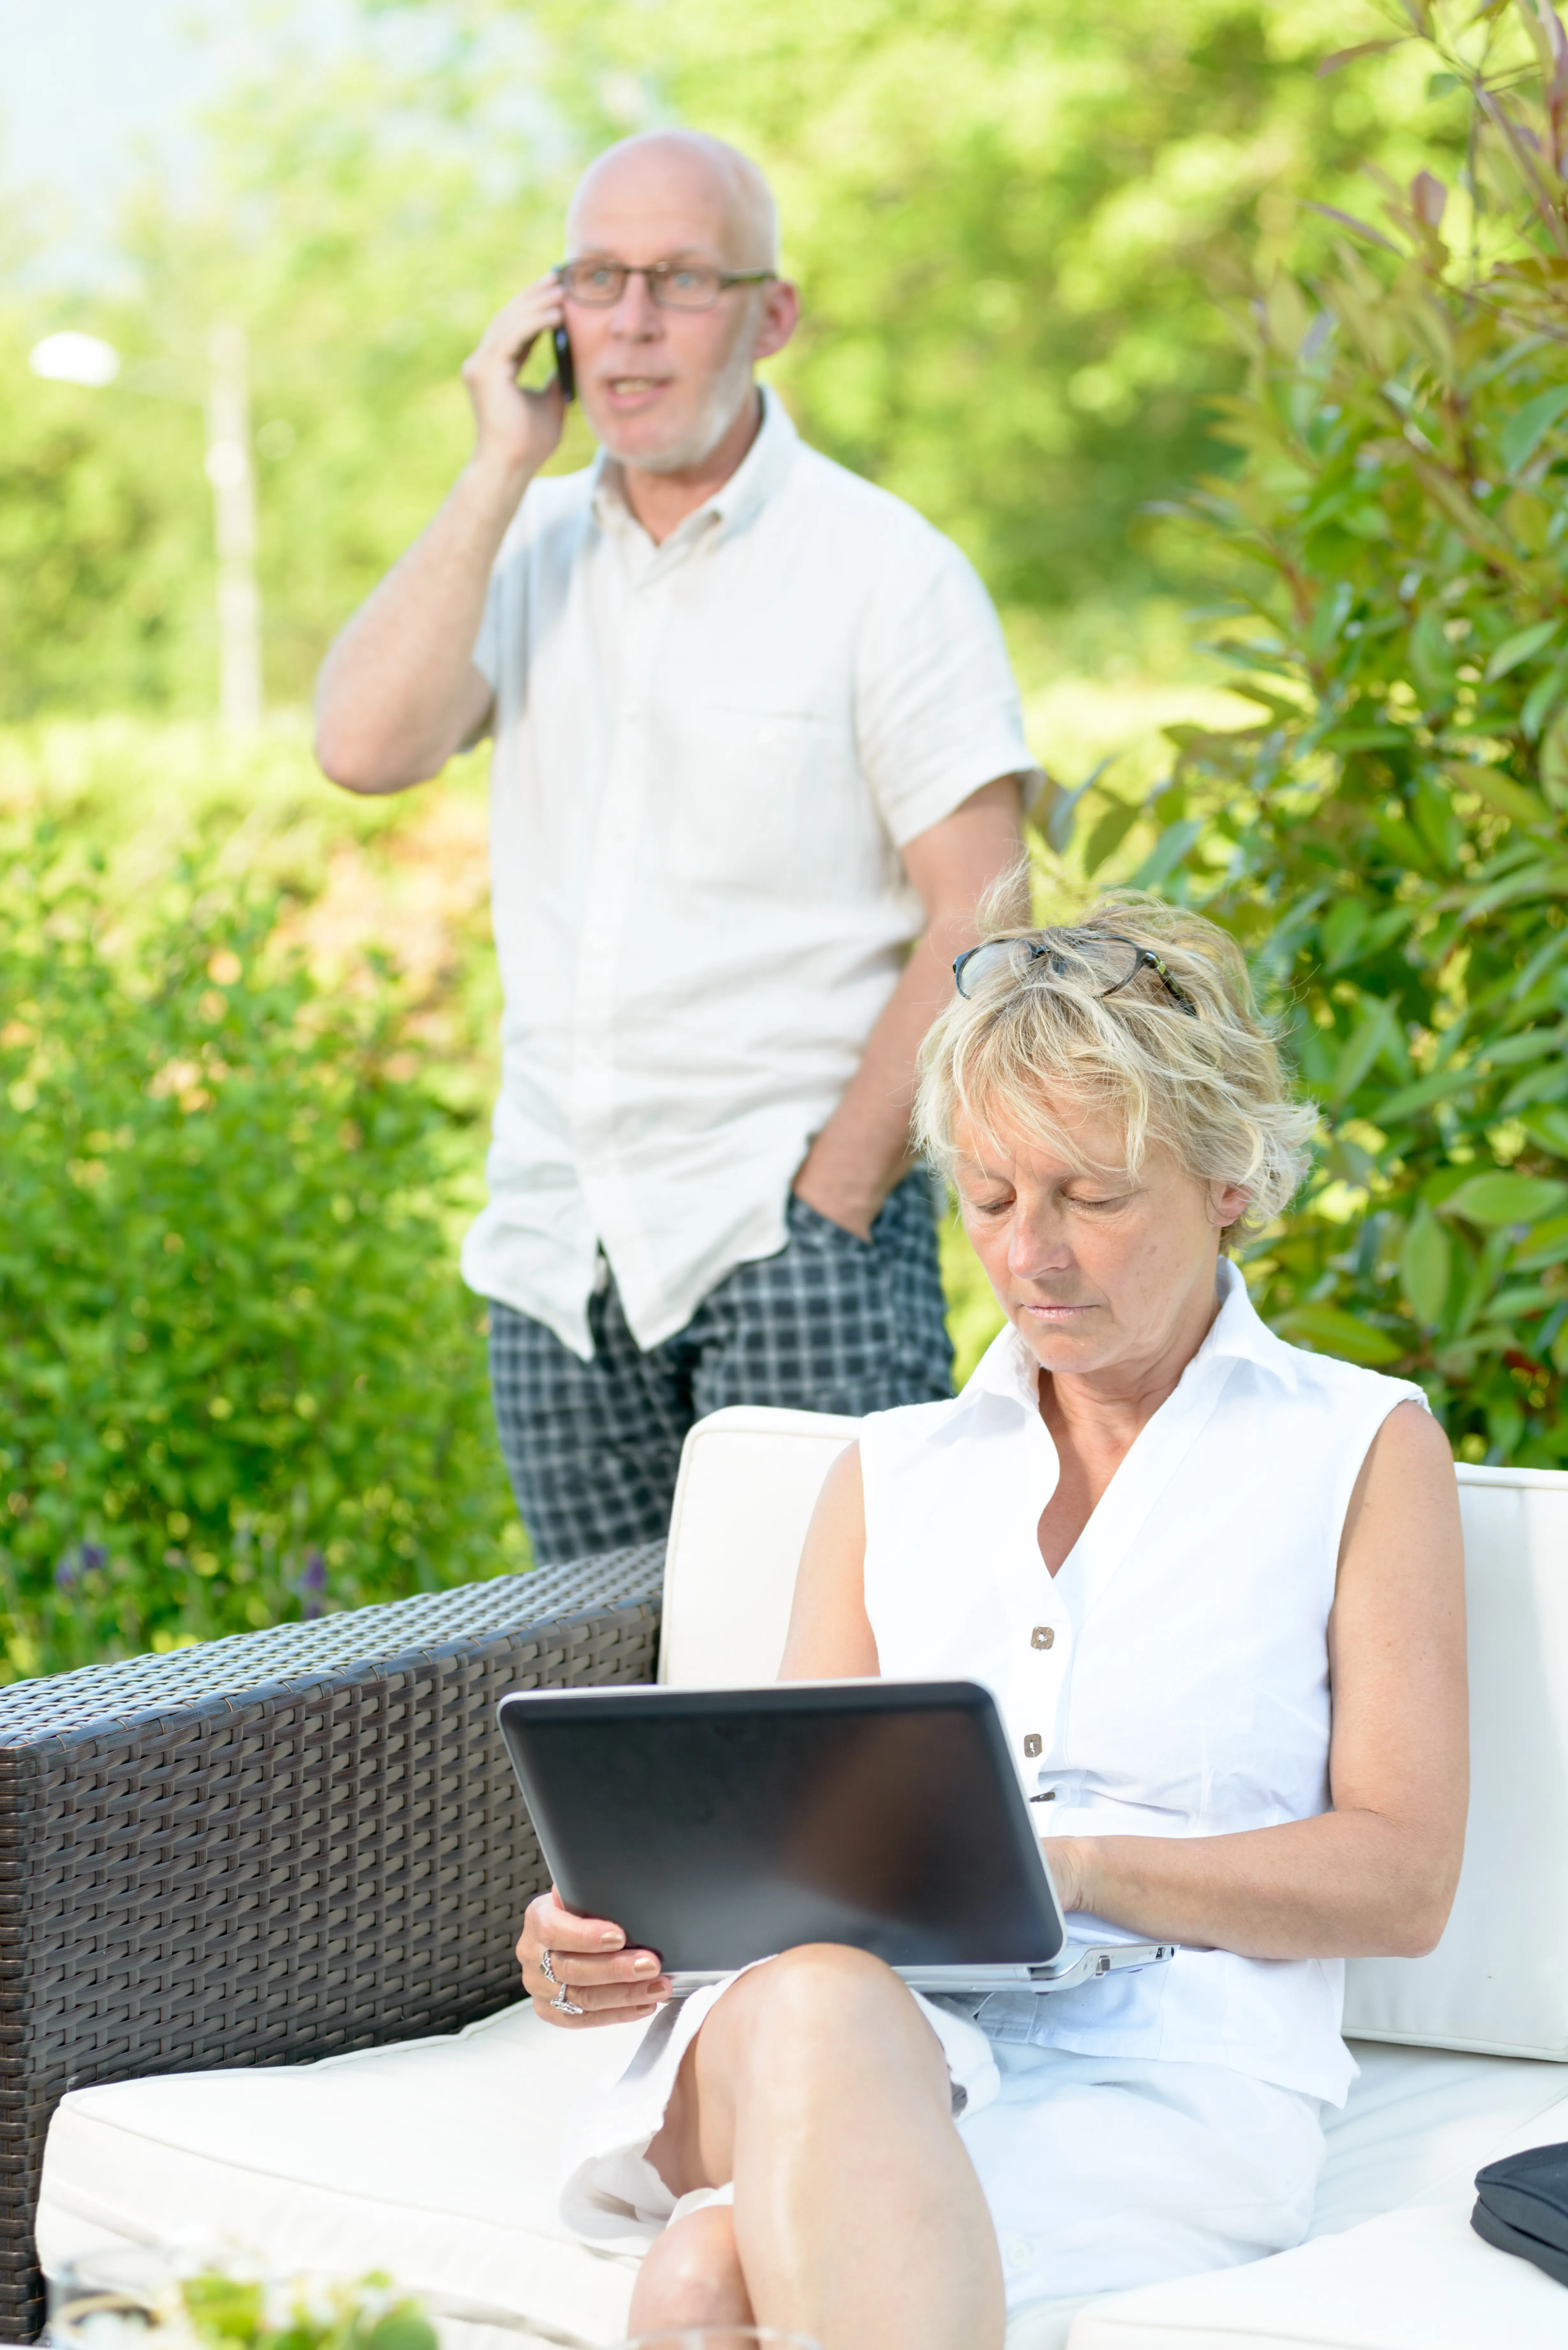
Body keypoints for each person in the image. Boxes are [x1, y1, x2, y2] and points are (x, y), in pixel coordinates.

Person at [512, 894, 1469, 2350]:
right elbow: (781, 1862)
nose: (1032, 1255)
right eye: (990, 1197)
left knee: (706, 2288)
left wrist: (1064, 1865)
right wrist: (605, 1934)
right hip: (836, 2034)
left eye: (1091, 1196)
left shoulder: (1356, 1446)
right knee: (821, 1995)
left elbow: (1400, 1880)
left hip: (1170, 2075)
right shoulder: (888, 1472)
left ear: (1226, 1180)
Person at [314, 128, 1034, 1563]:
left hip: (791, 1242)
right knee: (611, 1731)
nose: (630, 320)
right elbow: (362, 748)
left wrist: (829, 1199)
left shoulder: (886, 571)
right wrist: (496, 466)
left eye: (679, 280)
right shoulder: (518, 556)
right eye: (596, 277)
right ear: (552, 313)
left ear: (770, 315)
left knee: (822, 1723)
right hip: (553, 1255)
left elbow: (986, 910)